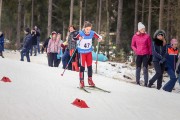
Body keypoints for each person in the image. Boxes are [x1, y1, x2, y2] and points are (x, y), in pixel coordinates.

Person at [75, 21, 102, 88]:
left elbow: (99, 37)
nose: (88, 31)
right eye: (87, 29)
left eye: (89, 29)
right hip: (82, 53)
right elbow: (74, 38)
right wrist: (79, 38)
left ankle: (90, 80)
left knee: (89, 66)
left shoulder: (92, 33)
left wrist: (99, 39)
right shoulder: (81, 33)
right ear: (84, 28)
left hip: (89, 52)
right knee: (82, 67)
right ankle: (81, 81)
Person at [131, 22, 152, 86]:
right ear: (139, 29)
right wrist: (136, 50)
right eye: (142, 29)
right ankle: (137, 81)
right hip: (138, 55)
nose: (144, 29)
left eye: (144, 28)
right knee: (138, 68)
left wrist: (150, 55)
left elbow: (150, 46)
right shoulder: (135, 36)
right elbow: (132, 45)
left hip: (145, 54)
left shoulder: (147, 36)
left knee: (145, 68)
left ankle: (146, 82)